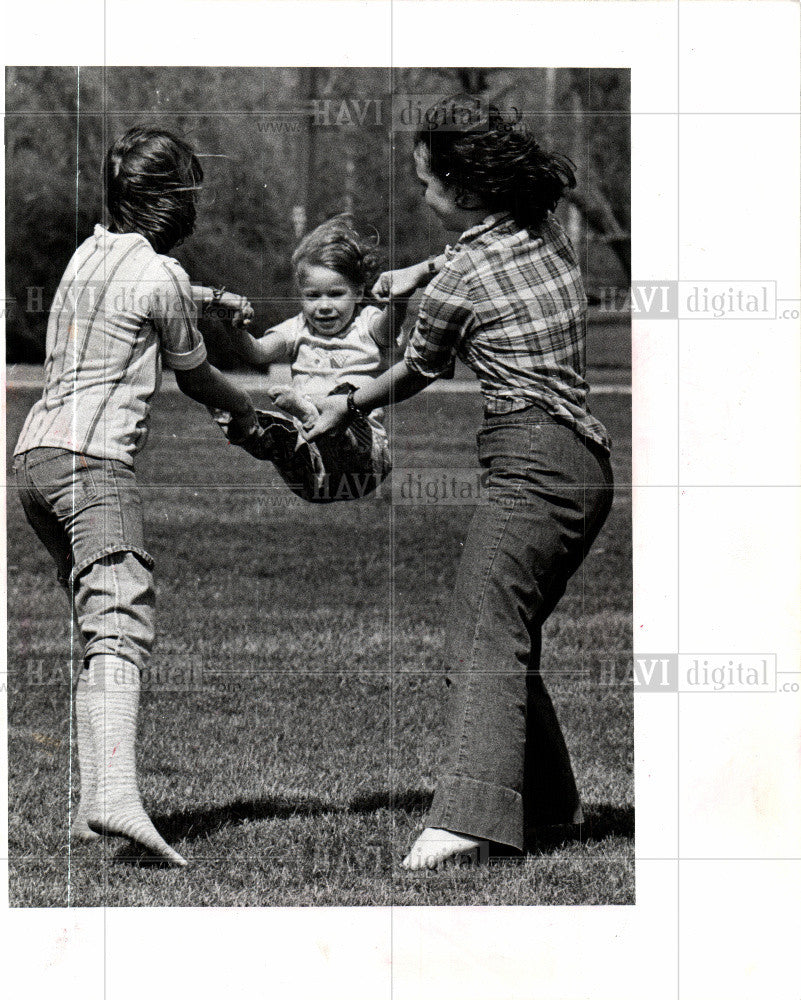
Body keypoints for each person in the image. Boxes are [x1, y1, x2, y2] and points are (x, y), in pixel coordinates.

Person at [309, 98, 614, 869]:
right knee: (507, 631)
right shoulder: (542, 231)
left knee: (480, 631)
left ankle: (469, 821)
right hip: (584, 466)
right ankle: (548, 806)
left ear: (468, 192)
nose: (419, 194)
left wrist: (343, 402)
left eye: (425, 183)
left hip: (532, 464)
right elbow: (469, 257)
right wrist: (415, 269)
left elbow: (416, 368)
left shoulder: (462, 281)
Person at [12, 125, 263, 866]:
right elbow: (196, 376)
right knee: (121, 621)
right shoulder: (160, 277)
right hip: (94, 466)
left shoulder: (87, 254)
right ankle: (114, 799)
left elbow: (143, 294)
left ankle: (94, 811)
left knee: (98, 630)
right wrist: (251, 412)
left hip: (33, 461)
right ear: (174, 204)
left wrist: (211, 295)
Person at [215, 214, 398, 502]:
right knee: (283, 436)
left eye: (336, 294)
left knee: (346, 397)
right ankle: (241, 418)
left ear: (359, 292)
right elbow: (257, 351)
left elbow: (388, 330)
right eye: (313, 296)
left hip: (363, 462)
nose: (323, 306)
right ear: (301, 296)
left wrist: (397, 302)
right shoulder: (296, 329)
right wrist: (232, 325)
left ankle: (311, 413)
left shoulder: (367, 323)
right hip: (312, 470)